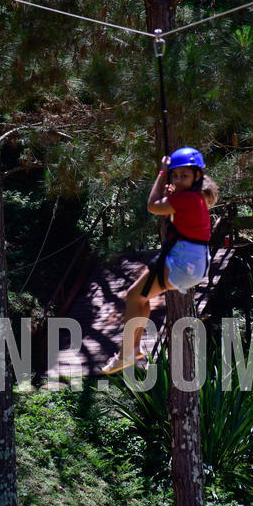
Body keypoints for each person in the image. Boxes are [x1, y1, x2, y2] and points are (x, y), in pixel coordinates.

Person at [100, 147, 218, 374]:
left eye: (184, 175)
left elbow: (153, 205)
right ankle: (130, 350)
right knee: (139, 298)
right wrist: (171, 190)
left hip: (185, 261)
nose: (179, 179)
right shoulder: (196, 197)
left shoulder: (186, 198)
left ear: (197, 176)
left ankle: (128, 352)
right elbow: (173, 206)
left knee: (135, 295)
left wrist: (162, 173)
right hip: (194, 261)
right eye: (176, 175)